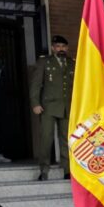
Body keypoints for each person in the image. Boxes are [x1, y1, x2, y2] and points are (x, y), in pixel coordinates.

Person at [30, 35, 75, 180]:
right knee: (46, 138)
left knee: (66, 139)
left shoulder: (72, 63)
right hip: (48, 106)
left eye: (63, 46)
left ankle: (67, 170)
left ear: (67, 48)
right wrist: (35, 103)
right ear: (53, 48)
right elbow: (36, 84)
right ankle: (44, 170)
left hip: (67, 106)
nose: (61, 49)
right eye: (58, 46)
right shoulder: (44, 62)